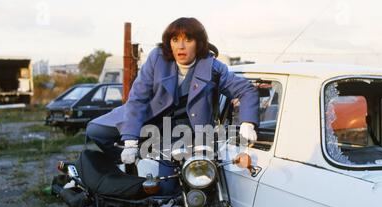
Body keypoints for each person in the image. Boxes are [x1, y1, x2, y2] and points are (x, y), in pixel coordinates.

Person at [87, 17, 259, 166]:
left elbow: (246, 90)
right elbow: (138, 98)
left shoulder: (212, 66)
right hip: (147, 117)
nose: (181, 46)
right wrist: (130, 141)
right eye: (175, 39)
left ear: (199, 43)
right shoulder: (157, 58)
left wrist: (247, 123)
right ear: (169, 42)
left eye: (188, 40)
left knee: (168, 184)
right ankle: (128, 166)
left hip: (181, 131)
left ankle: (151, 166)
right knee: (95, 131)